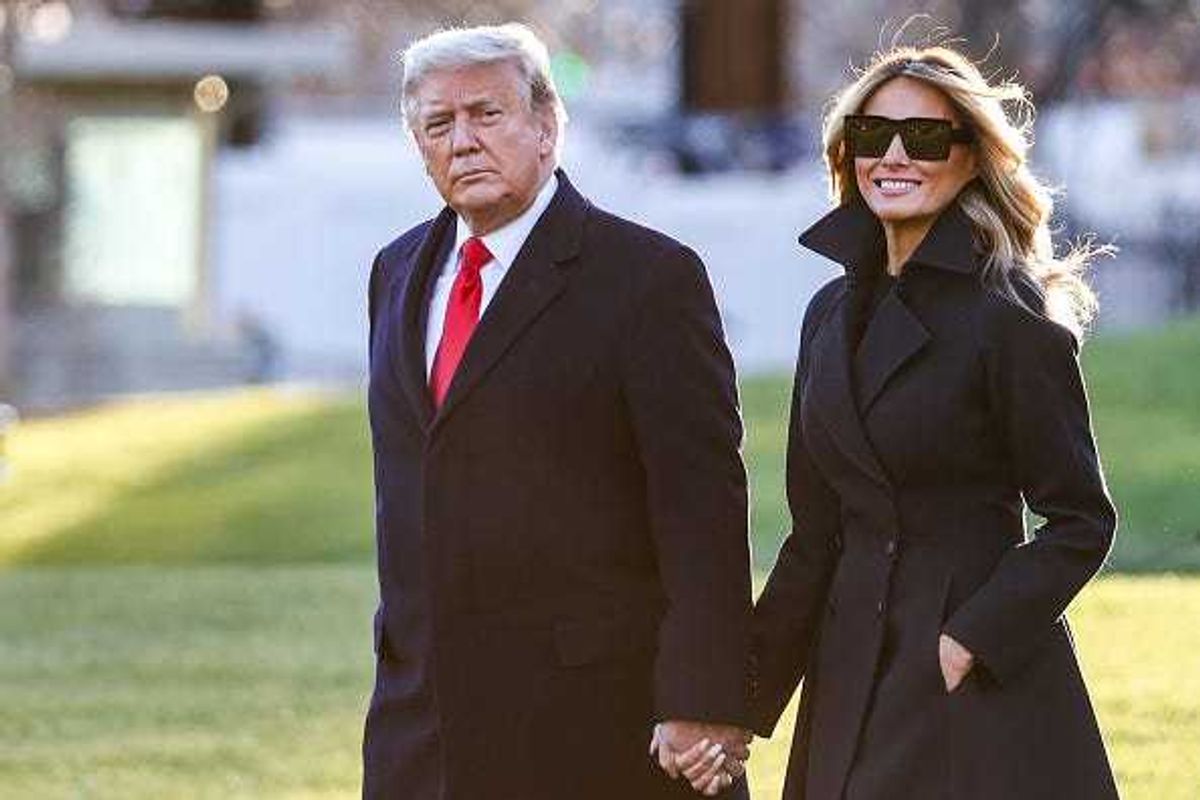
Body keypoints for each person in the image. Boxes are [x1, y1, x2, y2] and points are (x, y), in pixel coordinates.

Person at [362, 23, 752, 799]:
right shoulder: (396, 271)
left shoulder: (649, 280)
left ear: (547, 127)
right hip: (423, 728)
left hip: (596, 723)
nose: (463, 141)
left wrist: (702, 698)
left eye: (486, 114)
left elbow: (703, 509)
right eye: (439, 124)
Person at [741, 45, 1119, 799]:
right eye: (872, 136)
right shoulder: (826, 315)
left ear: (972, 158)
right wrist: (737, 702)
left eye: (923, 138)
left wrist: (970, 638)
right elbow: (815, 536)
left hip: (970, 684)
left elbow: (1081, 519)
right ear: (846, 155)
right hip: (850, 670)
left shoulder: (1008, 317)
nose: (893, 157)